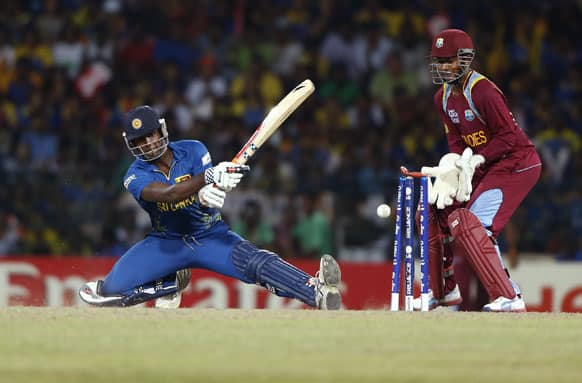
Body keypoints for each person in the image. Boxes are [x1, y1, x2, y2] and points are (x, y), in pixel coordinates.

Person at [79, 105, 341, 310]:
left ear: (162, 130)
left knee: (254, 264)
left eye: (151, 135)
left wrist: (212, 191)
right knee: (110, 291)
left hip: (210, 235)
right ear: (131, 144)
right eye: (140, 140)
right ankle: (170, 283)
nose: (148, 143)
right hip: (166, 242)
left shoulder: (194, 150)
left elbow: (206, 190)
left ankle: (315, 290)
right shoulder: (134, 175)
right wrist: (209, 178)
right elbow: (169, 195)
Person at [413, 29, 542, 312]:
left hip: (516, 163)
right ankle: (442, 292)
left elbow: (509, 136)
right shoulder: (442, 98)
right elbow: (457, 141)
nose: (444, 67)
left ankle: (509, 296)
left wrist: (477, 160)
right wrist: (455, 165)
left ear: (466, 59)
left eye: (449, 60)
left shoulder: (482, 91)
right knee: (430, 212)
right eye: (439, 61)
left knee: (472, 222)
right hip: (482, 167)